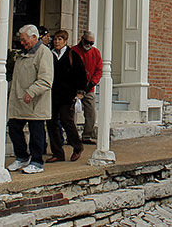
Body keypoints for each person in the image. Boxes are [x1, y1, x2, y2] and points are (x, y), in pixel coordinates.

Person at [7, 24, 53, 174]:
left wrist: (32, 92)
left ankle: (37, 162)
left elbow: (46, 79)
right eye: (20, 40)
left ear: (34, 37)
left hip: (36, 102)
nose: (22, 43)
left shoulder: (44, 53)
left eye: (24, 39)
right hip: (20, 101)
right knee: (13, 127)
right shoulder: (22, 54)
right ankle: (22, 157)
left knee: (36, 132)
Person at [46, 30, 86, 163]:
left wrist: (80, 92)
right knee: (51, 123)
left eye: (60, 39)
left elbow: (81, 74)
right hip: (52, 94)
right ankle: (58, 152)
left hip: (67, 95)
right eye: (55, 39)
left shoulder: (72, 55)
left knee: (66, 120)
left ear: (65, 41)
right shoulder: (49, 54)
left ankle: (77, 146)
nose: (57, 42)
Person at [70, 30, 101, 144]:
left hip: (89, 88)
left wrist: (91, 84)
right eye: (87, 42)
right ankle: (72, 137)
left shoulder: (95, 52)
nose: (89, 45)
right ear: (82, 39)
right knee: (71, 113)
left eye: (91, 43)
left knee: (91, 113)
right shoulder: (73, 51)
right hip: (74, 87)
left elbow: (99, 70)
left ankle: (87, 136)